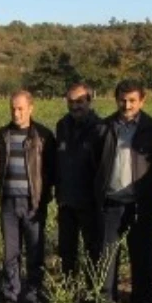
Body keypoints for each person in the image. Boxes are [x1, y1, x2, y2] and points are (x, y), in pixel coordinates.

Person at [92, 80, 152, 303]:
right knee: (107, 253)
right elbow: (94, 161)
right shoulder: (103, 128)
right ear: (116, 100)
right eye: (123, 100)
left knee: (142, 253)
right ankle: (106, 301)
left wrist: (148, 189)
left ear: (142, 101)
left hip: (140, 203)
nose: (127, 105)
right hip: (111, 200)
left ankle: (142, 302)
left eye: (132, 101)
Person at [0, 90, 56, 303]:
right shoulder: (3, 134)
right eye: (13, 108)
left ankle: (33, 293)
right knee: (10, 251)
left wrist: (45, 198)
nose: (16, 113)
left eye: (20, 108)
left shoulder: (43, 136)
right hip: (9, 202)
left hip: (34, 202)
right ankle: (10, 293)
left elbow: (50, 170)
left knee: (34, 249)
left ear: (31, 108)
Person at [54, 82, 101, 278]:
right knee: (67, 250)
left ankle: (92, 292)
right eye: (70, 102)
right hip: (66, 200)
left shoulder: (100, 128)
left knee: (93, 250)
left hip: (90, 200)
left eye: (80, 102)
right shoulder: (62, 125)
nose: (75, 106)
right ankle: (69, 288)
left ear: (89, 101)